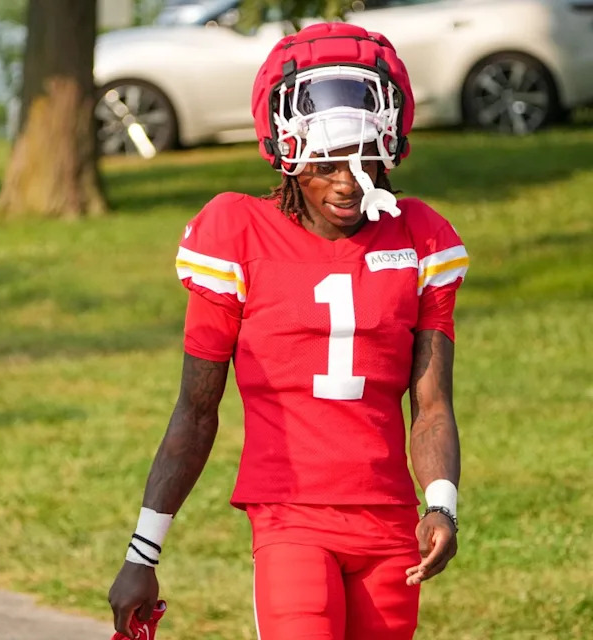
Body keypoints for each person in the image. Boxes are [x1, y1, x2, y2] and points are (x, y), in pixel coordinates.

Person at [108, 22, 467, 640]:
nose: (349, 182)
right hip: (290, 516)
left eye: (363, 159)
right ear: (290, 153)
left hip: (389, 520)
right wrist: (144, 553)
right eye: (327, 162)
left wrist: (442, 506)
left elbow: (431, 406)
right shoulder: (237, 234)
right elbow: (196, 411)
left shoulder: (420, 237)